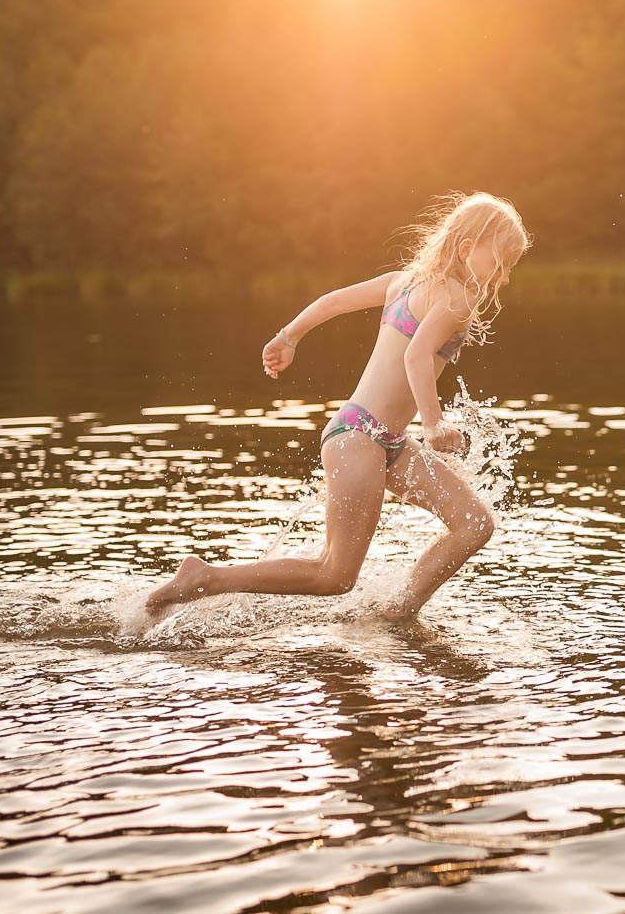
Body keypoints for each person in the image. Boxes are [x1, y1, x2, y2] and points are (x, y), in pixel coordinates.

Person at [144, 191, 531, 621]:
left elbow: (332, 301)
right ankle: (206, 578)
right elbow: (416, 356)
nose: (504, 277)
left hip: (382, 440)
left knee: (474, 523)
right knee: (334, 575)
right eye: (499, 263)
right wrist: (435, 423)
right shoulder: (458, 296)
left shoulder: (405, 281)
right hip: (361, 439)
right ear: (465, 249)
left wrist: (289, 336)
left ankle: (396, 614)